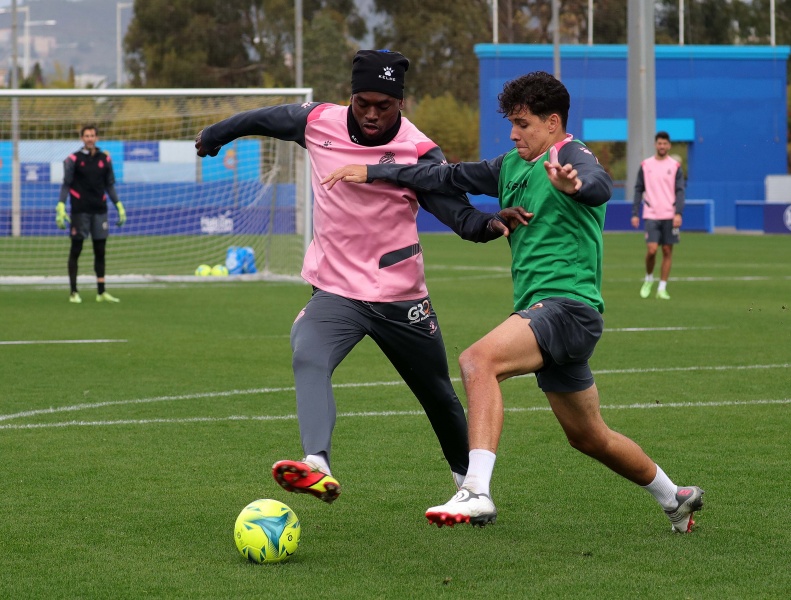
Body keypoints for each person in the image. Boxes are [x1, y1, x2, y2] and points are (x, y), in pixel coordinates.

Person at [323, 71, 703, 533]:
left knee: (478, 360)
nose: (513, 132)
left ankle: (476, 490)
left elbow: (599, 184)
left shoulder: (571, 156)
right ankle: (674, 497)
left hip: (568, 309)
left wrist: (575, 187)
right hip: (551, 315)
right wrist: (375, 170)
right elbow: (441, 175)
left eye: (522, 123)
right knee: (588, 436)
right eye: (512, 123)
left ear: (552, 122)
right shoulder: (509, 166)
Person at [194, 49, 529, 505]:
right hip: (335, 291)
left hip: (399, 297)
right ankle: (316, 463)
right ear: (350, 97)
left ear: (401, 104)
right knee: (307, 354)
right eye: (362, 103)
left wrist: (491, 224)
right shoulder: (318, 122)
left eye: (383, 106)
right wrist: (216, 135)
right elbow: (264, 118)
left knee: (438, 396)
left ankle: (468, 485)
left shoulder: (418, 150)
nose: (371, 114)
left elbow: (456, 213)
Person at [56, 124, 126, 303]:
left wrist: (118, 205)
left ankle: (101, 292)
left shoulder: (105, 159)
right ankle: (73, 292)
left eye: (92, 135)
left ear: (97, 138)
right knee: (76, 250)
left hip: (100, 211)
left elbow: (109, 185)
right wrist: (61, 205)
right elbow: (66, 184)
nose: (89, 138)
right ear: (82, 138)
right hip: (80, 211)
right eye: (86, 135)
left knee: (100, 250)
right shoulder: (73, 159)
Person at [631, 131, 685, 300]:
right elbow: (639, 189)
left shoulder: (675, 166)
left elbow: (680, 191)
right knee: (652, 249)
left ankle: (662, 287)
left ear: (669, 145)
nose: (662, 146)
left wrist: (678, 213)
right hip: (651, 213)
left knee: (667, 250)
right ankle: (648, 278)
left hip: (670, 214)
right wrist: (635, 212)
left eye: (665, 144)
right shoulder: (646, 165)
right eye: (659, 143)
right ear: (655, 145)